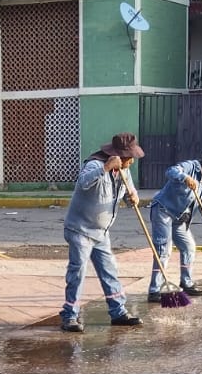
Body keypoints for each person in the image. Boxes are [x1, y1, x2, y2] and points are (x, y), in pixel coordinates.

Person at [59, 132, 145, 333]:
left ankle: (118, 312)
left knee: (109, 271)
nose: (132, 161)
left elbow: (129, 194)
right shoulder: (95, 165)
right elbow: (83, 183)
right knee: (77, 272)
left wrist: (133, 198)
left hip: (101, 232)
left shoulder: (125, 172)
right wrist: (106, 168)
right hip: (80, 229)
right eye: (130, 157)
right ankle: (70, 316)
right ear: (119, 156)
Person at [147, 149, 202, 303]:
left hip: (180, 217)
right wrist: (185, 178)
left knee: (189, 247)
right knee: (163, 250)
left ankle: (186, 282)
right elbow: (171, 171)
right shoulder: (191, 166)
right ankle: (154, 290)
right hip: (163, 211)